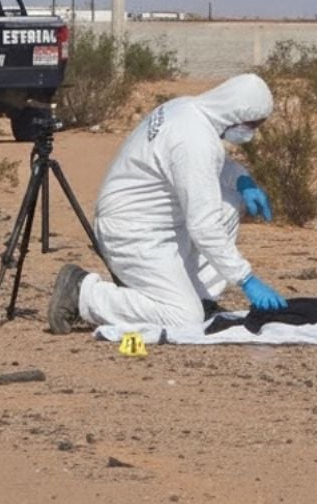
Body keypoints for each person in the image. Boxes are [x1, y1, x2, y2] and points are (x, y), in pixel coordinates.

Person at [47, 73, 288, 334]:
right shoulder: (194, 140)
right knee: (184, 319)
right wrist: (246, 279)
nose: (251, 133)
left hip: (153, 221)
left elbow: (206, 165)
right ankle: (84, 293)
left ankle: (201, 297)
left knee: (229, 202)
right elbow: (203, 225)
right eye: (252, 125)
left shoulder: (187, 108)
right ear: (237, 114)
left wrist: (242, 181)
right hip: (132, 231)